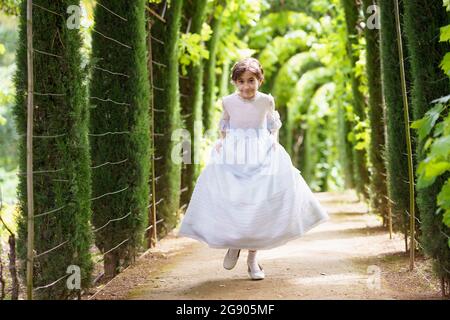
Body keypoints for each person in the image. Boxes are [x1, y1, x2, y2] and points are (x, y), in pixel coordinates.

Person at [177, 57, 329, 280]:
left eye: (251, 80)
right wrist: (222, 141)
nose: (246, 86)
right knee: (235, 198)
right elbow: (225, 124)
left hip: (261, 149)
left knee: (259, 202)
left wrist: (274, 143)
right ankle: (234, 243)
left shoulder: (266, 101)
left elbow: (272, 125)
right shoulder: (228, 101)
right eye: (241, 81)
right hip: (235, 152)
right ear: (234, 82)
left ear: (260, 80)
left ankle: (252, 259)